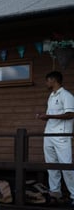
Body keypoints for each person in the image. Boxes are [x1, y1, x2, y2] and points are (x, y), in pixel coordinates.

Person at [37, 70, 74, 203]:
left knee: (66, 166)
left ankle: (73, 195)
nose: (46, 83)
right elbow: (51, 116)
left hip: (61, 135)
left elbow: (70, 114)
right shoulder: (51, 96)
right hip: (49, 134)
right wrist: (44, 117)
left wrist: (49, 116)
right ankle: (55, 192)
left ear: (53, 80)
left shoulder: (66, 95)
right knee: (51, 165)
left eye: (47, 80)